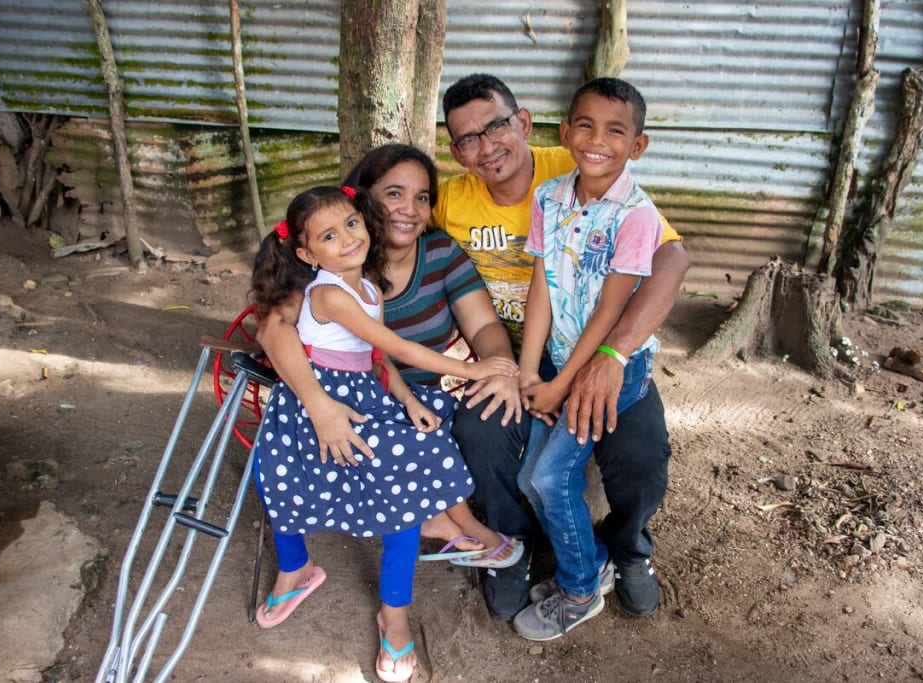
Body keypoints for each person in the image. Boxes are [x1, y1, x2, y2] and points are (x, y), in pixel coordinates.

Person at [432, 73, 690, 621]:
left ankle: (626, 548)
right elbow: (394, 237)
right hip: (515, 353)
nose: (487, 146)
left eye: (497, 126)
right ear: (455, 153)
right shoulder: (453, 200)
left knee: (640, 453)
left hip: (596, 348)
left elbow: (672, 259)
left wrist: (612, 356)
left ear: (523, 122)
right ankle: (512, 549)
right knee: (480, 430)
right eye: (467, 139)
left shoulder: (577, 165)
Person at [249, 185, 520, 682]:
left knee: (424, 438)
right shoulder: (329, 293)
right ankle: (299, 568)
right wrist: (476, 371)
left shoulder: (366, 288)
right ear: (307, 254)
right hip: (317, 406)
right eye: (329, 236)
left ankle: (398, 602)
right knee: (281, 483)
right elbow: (395, 344)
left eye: (352, 223)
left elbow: (377, 357)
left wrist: (410, 399)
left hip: (363, 393)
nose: (349, 238)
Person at [512, 77, 666, 640]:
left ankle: (579, 591)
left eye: (615, 131)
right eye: (585, 125)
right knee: (531, 479)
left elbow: (609, 311)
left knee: (552, 479)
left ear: (638, 145)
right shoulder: (549, 197)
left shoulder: (637, 215)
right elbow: (541, 290)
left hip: (607, 370)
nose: (596, 140)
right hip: (555, 359)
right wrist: (531, 370)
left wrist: (558, 388)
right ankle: (595, 562)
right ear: (565, 131)